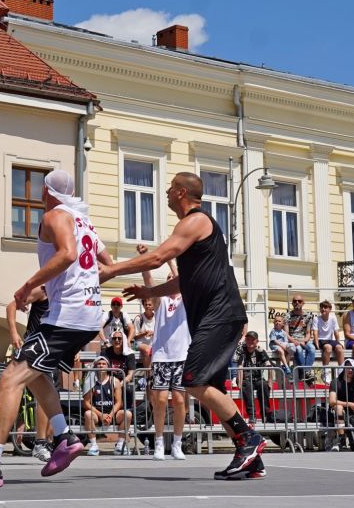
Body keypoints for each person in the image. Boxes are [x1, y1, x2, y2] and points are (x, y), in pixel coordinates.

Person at [0, 169, 112, 489]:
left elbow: (67, 254)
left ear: (46, 192)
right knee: (36, 374)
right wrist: (74, 286)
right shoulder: (83, 222)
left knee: (10, 377)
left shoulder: (53, 217)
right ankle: (64, 437)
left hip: (67, 318)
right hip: (83, 315)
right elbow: (106, 262)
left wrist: (30, 286)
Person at [99, 172, 267, 481]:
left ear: (180, 192)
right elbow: (182, 281)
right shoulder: (195, 229)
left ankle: (249, 439)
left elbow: (160, 257)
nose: (164, 192)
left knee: (192, 379)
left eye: (169, 188)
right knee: (212, 388)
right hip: (215, 316)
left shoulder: (196, 221)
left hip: (221, 314)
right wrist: (148, 293)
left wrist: (111, 270)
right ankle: (251, 459)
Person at [144, 259, 189, 460]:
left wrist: (171, 263)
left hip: (181, 357)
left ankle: (178, 443)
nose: (172, 281)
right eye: (169, 279)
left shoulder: (185, 300)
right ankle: (159, 442)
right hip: (162, 357)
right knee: (160, 400)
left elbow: (184, 279)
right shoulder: (160, 301)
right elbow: (149, 284)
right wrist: (145, 264)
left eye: (174, 279)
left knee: (180, 401)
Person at [6, 287, 51, 462]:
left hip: (49, 349)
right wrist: (13, 332)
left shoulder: (64, 294)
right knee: (38, 395)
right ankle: (40, 442)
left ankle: (45, 441)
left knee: (48, 396)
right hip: (33, 347)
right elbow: (11, 306)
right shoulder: (43, 290)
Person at [82, 359, 132, 455]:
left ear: (108, 366)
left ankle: (120, 445)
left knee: (128, 414)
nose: (101, 366)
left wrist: (110, 415)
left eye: (104, 364)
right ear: (95, 366)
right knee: (88, 414)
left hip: (112, 413)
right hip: (97, 414)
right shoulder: (91, 381)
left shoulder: (114, 381)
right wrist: (101, 415)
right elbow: (86, 403)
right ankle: (93, 445)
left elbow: (118, 402)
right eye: (99, 364)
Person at [234, 331, 273, 423]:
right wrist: (239, 382)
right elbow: (239, 366)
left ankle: (266, 415)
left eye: (252, 339)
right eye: (248, 339)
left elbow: (269, 366)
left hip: (258, 378)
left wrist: (270, 381)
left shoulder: (260, 351)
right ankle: (252, 416)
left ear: (257, 341)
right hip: (244, 378)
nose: (250, 341)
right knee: (247, 386)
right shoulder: (241, 350)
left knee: (263, 385)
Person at [285, 295, 318, 379]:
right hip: (292, 341)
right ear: (292, 303)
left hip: (304, 340)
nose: (297, 303)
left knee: (312, 348)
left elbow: (308, 333)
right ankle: (306, 372)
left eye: (299, 301)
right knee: (298, 349)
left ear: (303, 303)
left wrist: (304, 340)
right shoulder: (287, 316)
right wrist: (294, 341)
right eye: (295, 301)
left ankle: (305, 372)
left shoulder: (307, 316)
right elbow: (286, 333)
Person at [101, 298, 137, 373]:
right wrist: (105, 341)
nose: (116, 306)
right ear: (111, 306)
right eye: (114, 304)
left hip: (120, 346)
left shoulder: (124, 315)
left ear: (121, 306)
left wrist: (128, 341)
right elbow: (99, 327)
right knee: (104, 367)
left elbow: (132, 328)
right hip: (108, 346)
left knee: (123, 365)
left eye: (118, 304)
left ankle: (123, 379)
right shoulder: (107, 314)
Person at [312, 300, 345, 375]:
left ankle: (342, 370)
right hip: (320, 340)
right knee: (328, 348)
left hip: (330, 340)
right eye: (321, 307)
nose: (323, 309)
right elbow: (315, 333)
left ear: (330, 309)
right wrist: (317, 345)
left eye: (325, 307)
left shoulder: (333, 318)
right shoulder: (316, 319)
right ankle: (326, 372)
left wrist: (338, 343)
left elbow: (336, 332)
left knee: (340, 348)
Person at [132, 298, 156, 368]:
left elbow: (161, 333)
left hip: (153, 343)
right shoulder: (139, 318)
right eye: (146, 305)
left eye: (149, 305)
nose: (147, 306)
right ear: (143, 306)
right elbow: (134, 337)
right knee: (148, 350)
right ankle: (148, 376)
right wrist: (144, 333)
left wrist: (154, 333)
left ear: (153, 305)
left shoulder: (157, 317)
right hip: (138, 344)